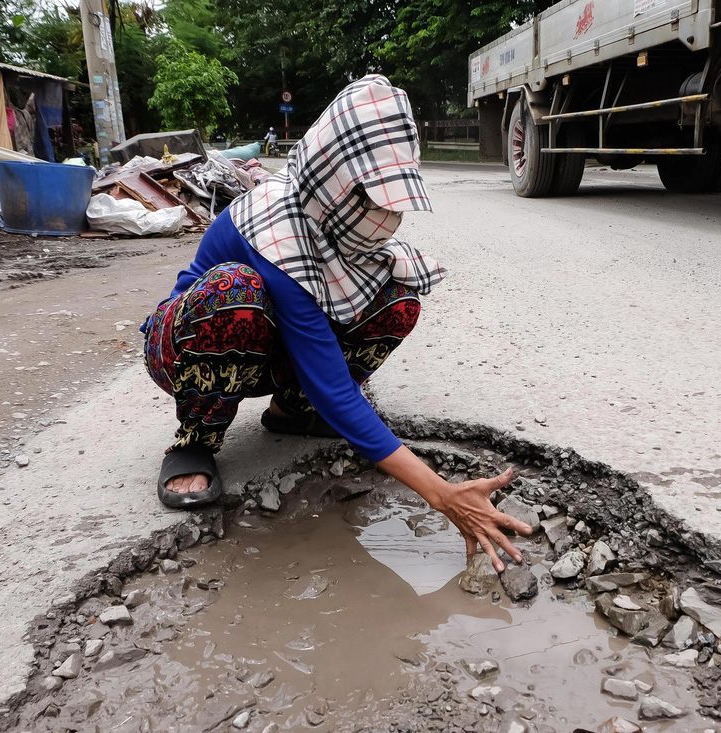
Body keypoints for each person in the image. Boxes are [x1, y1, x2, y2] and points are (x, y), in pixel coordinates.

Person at [141, 76, 530, 570]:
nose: (385, 212)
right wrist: (442, 493)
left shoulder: (326, 225)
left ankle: (289, 411)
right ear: (335, 179)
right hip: (190, 348)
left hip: (266, 348)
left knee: (397, 293)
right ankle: (195, 439)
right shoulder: (275, 225)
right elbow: (333, 385)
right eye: (371, 195)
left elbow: (332, 338)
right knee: (234, 291)